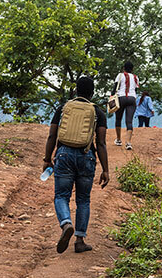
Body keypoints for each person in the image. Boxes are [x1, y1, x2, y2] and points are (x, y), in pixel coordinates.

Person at [43, 76, 109, 254]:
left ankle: (66, 223)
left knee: (61, 196)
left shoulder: (64, 108)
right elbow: (101, 143)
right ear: (92, 92)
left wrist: (47, 159)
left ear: (76, 90)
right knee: (83, 200)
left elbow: (52, 135)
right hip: (86, 157)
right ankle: (80, 240)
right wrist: (105, 169)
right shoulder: (97, 111)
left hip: (64, 154)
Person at [112, 61, 139, 150]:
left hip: (121, 98)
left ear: (124, 68)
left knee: (118, 119)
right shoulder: (136, 77)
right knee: (129, 121)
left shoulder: (120, 75)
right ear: (132, 69)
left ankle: (119, 140)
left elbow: (115, 87)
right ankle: (128, 143)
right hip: (132, 99)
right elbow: (135, 90)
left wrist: (112, 97)